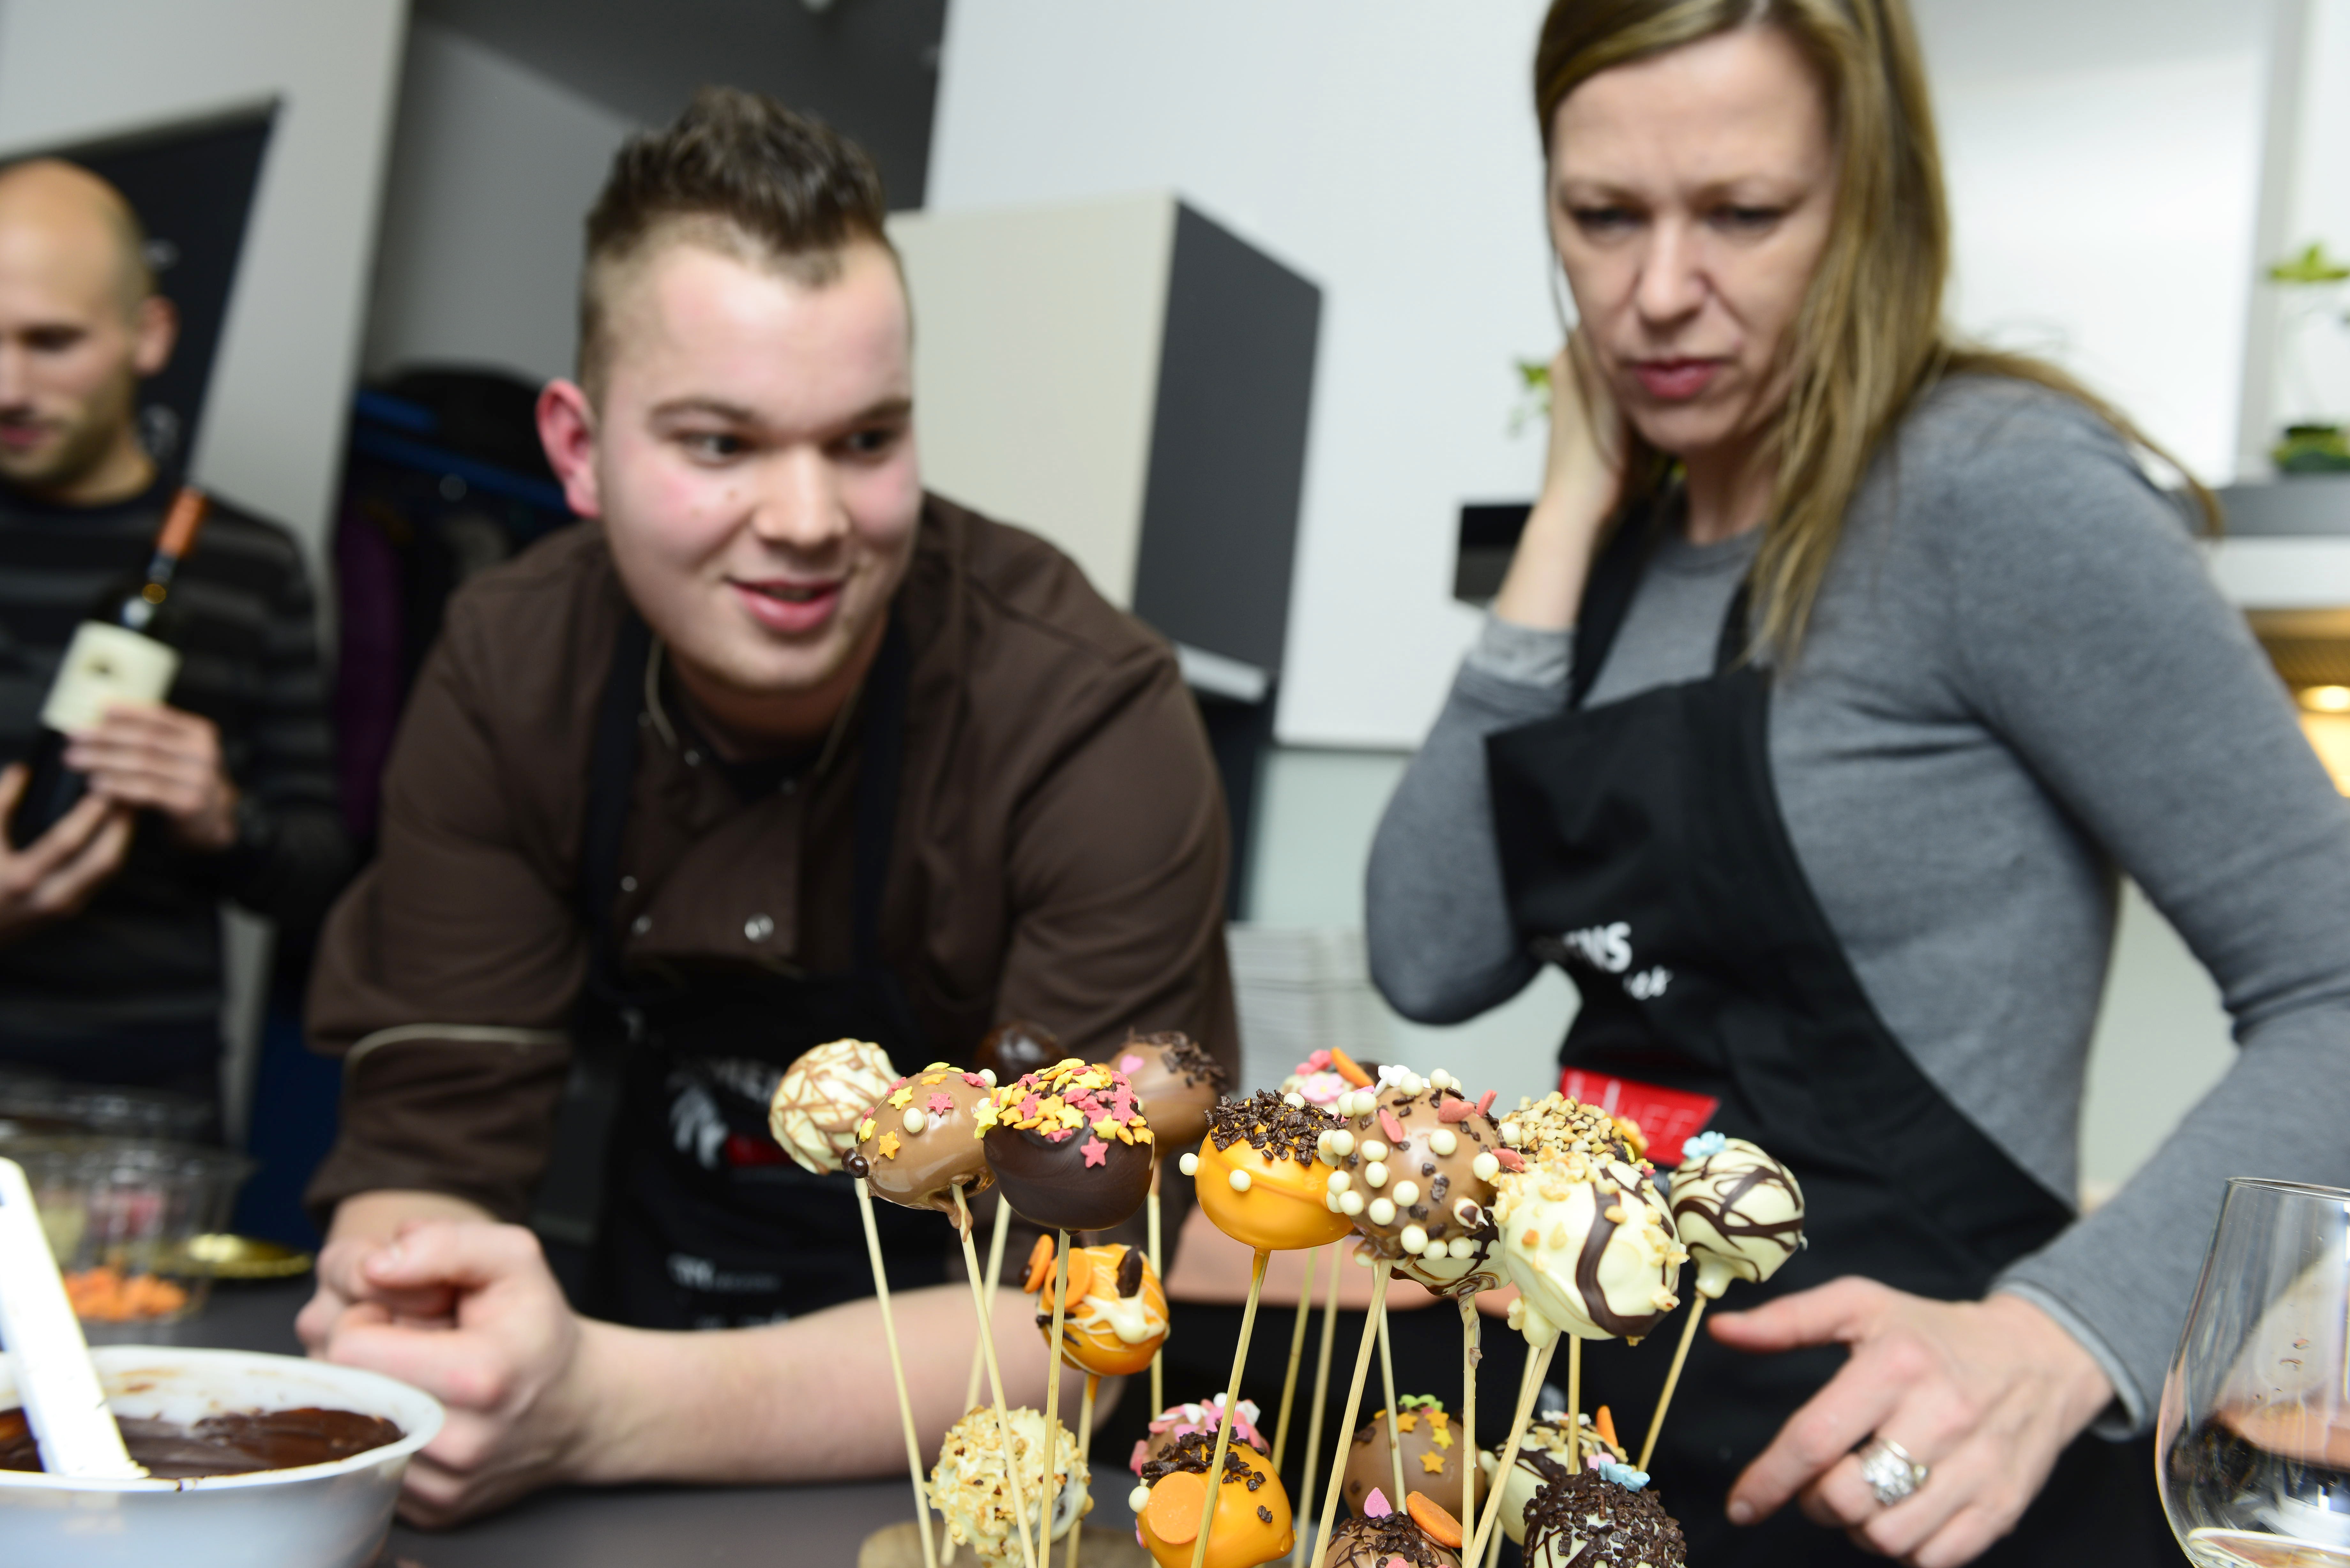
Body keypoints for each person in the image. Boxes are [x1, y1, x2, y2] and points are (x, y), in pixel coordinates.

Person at [1366, 4, 2350, 1565]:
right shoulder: (1619, 548)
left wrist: (2060, 1338)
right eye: (1602, 216)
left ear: (1871, 200)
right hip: (1586, 1456)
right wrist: (1566, 513)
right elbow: (1426, 956)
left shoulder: (1990, 489)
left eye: (1743, 213)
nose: (1657, 292)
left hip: (1898, 1487)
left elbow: (2336, 978)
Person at [297, 89, 1238, 1525]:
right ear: (576, 449)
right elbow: (428, 1148)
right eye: (720, 443)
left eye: (864, 440)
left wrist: (598, 1407)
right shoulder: (508, 666)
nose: (807, 520)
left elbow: (1080, 1311)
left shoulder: (1081, 711)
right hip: (607, 1393)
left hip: (959, 1487)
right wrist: (410, 1314)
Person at [0, 158, 347, 1100]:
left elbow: (320, 874)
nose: (10, 386)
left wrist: (224, 819)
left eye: (52, 342)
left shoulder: (253, 564)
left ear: (148, 336)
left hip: (138, 1105)